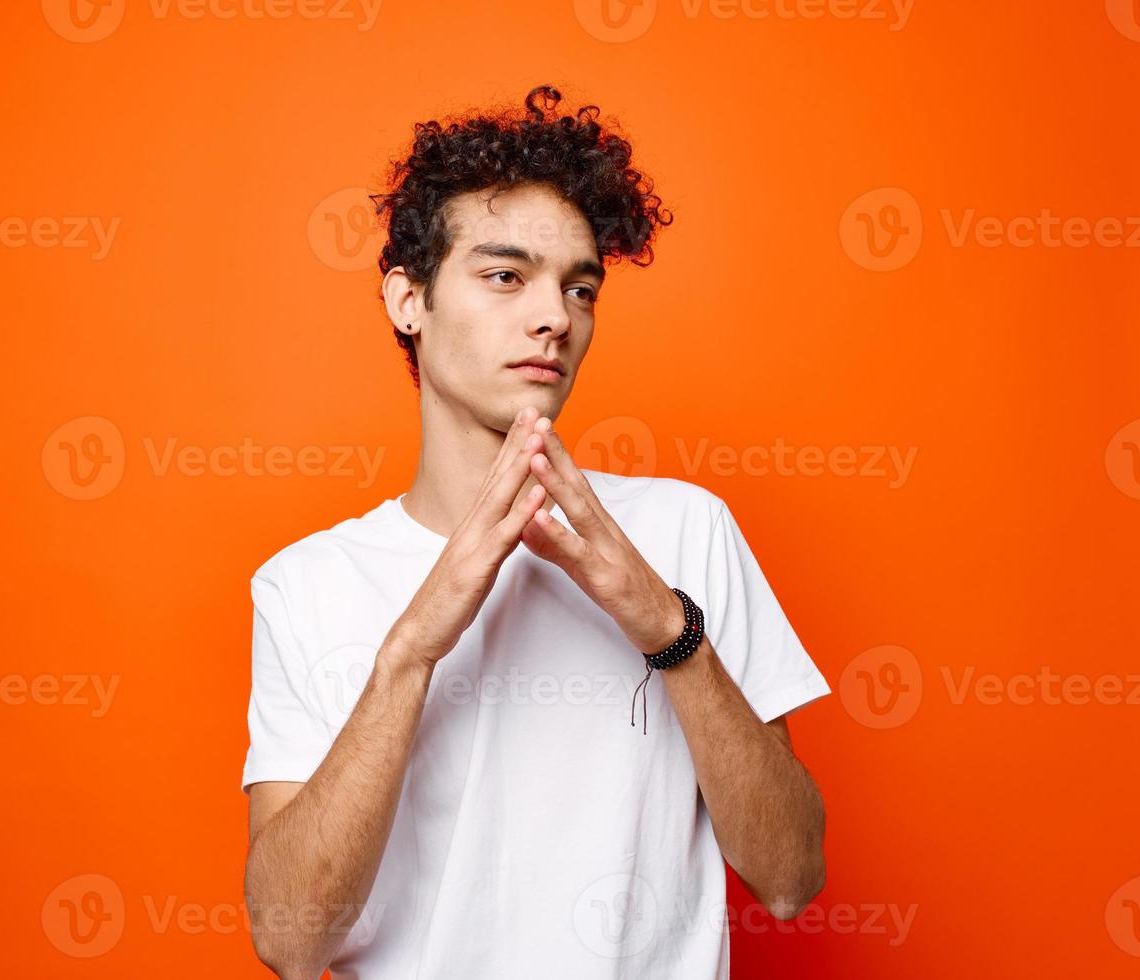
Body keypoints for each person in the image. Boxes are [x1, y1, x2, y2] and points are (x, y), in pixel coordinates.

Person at [240, 84, 831, 979]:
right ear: (409, 300)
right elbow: (288, 942)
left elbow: (790, 878)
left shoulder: (686, 530)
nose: (554, 316)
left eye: (579, 287)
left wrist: (667, 629)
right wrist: (409, 650)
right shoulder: (305, 584)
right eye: (505, 276)